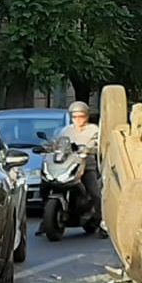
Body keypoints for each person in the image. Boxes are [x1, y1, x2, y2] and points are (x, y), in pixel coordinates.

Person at [51, 101, 105, 237]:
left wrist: (92, 149)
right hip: (69, 166)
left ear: (87, 116)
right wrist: (50, 147)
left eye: (81, 116)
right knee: (51, 185)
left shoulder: (94, 130)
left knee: (95, 194)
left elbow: (101, 145)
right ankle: (47, 221)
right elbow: (57, 144)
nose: (78, 119)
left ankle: (102, 224)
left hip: (87, 166)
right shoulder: (66, 130)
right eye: (75, 117)